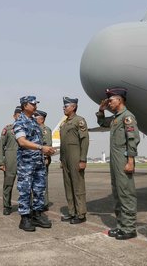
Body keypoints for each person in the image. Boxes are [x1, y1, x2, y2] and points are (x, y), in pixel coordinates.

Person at [96, 87, 140, 240]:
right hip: (115, 159)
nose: (109, 103)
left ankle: (129, 228)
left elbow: (133, 140)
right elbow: (102, 122)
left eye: (111, 100)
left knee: (126, 193)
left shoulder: (127, 117)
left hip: (123, 158)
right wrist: (101, 111)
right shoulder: (116, 118)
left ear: (120, 100)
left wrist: (130, 161)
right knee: (117, 193)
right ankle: (121, 225)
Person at [13, 96, 55, 231]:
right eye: (33, 104)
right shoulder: (20, 122)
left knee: (39, 189)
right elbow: (22, 141)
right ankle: (25, 218)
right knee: (25, 190)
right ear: (25, 106)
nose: (35, 106)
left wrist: (45, 152)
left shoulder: (34, 122)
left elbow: (38, 141)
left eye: (36, 103)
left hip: (38, 161)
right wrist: (41, 148)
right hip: (26, 162)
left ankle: (37, 215)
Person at [59, 96, 89, 224]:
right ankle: (72, 212)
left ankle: (81, 214)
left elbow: (85, 140)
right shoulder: (64, 123)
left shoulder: (79, 121)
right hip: (65, 158)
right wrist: (61, 159)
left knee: (78, 185)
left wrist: (83, 159)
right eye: (64, 106)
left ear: (73, 107)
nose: (64, 108)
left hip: (75, 157)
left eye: (66, 106)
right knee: (68, 185)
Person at [0, 106, 21, 215]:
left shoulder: (29, 128)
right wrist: (1, 162)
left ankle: (26, 206)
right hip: (10, 160)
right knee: (8, 185)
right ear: (14, 116)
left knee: (26, 185)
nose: (20, 117)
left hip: (24, 160)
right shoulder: (8, 129)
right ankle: (7, 206)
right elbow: (1, 146)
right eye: (18, 115)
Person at [34, 110, 52, 211]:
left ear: (41, 119)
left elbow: (48, 145)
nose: (34, 119)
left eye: (36, 118)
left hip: (42, 159)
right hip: (35, 159)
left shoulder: (46, 130)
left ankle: (44, 203)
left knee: (43, 182)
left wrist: (45, 157)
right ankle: (37, 202)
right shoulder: (34, 129)